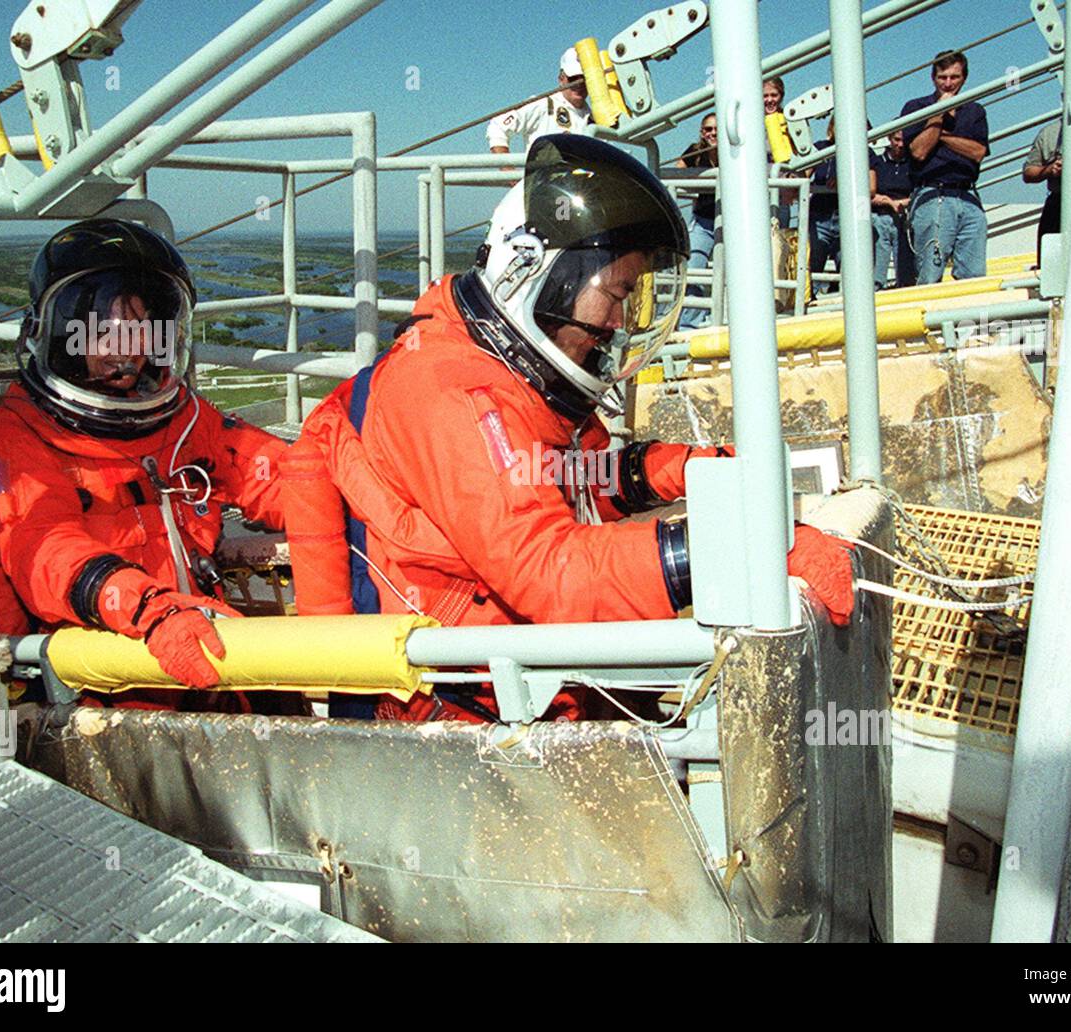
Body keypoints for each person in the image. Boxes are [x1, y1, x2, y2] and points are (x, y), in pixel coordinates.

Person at [280, 135, 856, 723]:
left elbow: (571, 480)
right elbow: (549, 571)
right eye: (614, 294)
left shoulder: (515, 377)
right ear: (538, 276)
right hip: (457, 718)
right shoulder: (447, 388)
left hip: (528, 680)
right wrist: (738, 548)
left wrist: (692, 468)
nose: (616, 323)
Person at [0, 220, 287, 701]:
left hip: (200, 641)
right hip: (95, 677)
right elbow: (43, 546)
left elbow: (276, 473)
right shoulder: (14, 434)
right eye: (104, 331)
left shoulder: (183, 419)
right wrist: (144, 607)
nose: (130, 349)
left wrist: (366, 486)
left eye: (143, 329)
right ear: (57, 334)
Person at [900, 49, 989, 283]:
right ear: (933, 78)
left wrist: (939, 136)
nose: (948, 84)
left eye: (954, 77)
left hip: (969, 196)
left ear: (964, 78)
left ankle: (969, 319)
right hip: (932, 194)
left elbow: (978, 152)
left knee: (974, 275)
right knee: (929, 272)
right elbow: (919, 151)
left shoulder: (975, 111)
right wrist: (938, 115)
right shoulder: (915, 108)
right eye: (942, 77)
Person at [806, 118, 877, 296]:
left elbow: (871, 188)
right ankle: (806, 305)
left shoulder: (865, 153)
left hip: (848, 218)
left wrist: (845, 181)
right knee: (811, 267)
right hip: (819, 216)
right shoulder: (821, 148)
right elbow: (804, 173)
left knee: (849, 271)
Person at [488, 47, 592, 155]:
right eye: (573, 79)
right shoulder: (543, 104)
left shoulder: (594, 118)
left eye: (585, 79)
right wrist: (507, 168)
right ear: (561, 79)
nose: (579, 84)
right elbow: (497, 126)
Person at [676, 113, 718, 330]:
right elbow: (677, 170)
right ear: (702, 132)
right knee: (693, 270)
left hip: (732, 222)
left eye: (716, 129)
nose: (712, 133)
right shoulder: (696, 151)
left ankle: (724, 321)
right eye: (708, 129)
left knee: (732, 274)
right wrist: (695, 186)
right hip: (704, 221)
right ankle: (688, 326)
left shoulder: (733, 150)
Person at [871, 130, 916, 289]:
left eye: (904, 141)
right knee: (876, 273)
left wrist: (903, 203)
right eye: (896, 140)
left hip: (904, 219)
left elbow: (918, 192)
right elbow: (869, 193)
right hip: (880, 218)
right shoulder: (877, 162)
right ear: (889, 139)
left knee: (905, 273)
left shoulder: (913, 163)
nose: (900, 145)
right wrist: (890, 202)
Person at [1022, 119, 1063, 266]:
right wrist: (1050, 170)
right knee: (1050, 265)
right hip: (1059, 203)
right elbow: (1028, 172)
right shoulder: (1049, 133)